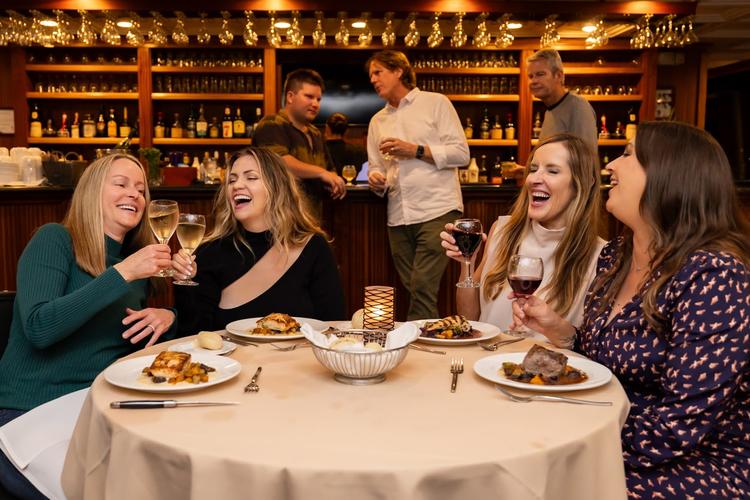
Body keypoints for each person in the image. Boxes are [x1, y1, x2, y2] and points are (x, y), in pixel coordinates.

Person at [512, 122, 750, 498]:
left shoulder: (713, 277)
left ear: (668, 176)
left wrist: (564, 441)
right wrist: (562, 333)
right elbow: (604, 364)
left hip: (691, 463)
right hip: (603, 433)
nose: (610, 167)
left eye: (627, 154)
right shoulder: (616, 257)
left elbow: (678, 426)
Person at [0, 153, 179, 499]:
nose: (135, 195)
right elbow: (40, 328)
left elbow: (130, 345)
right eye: (121, 184)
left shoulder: (135, 267)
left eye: (141, 190)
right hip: (26, 414)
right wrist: (122, 273)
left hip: (96, 411)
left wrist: (170, 317)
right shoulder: (54, 240)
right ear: (92, 191)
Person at [440, 133, 605, 339]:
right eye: (533, 169)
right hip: (486, 364)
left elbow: (590, 345)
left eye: (552, 171)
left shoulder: (600, 256)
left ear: (583, 183)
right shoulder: (502, 230)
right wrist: (467, 264)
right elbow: (469, 318)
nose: (534, 179)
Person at [174, 147, 345, 336]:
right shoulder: (209, 252)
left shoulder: (313, 247)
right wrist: (185, 282)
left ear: (277, 187)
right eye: (232, 180)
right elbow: (193, 334)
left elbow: (332, 326)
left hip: (298, 363)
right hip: (233, 365)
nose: (237, 185)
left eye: (251, 177)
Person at [367, 50, 469, 320]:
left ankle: (416, 349)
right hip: (398, 216)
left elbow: (461, 154)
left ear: (398, 70)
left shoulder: (435, 103)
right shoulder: (377, 120)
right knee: (415, 288)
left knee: (422, 287)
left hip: (437, 209)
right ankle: (432, 337)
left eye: (378, 72)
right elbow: (377, 167)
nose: (373, 80)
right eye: (371, 76)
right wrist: (376, 179)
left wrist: (415, 150)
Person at [253, 68, 346, 212]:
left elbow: (329, 169)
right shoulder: (271, 124)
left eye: (318, 99)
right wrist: (321, 173)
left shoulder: (315, 133)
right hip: (279, 221)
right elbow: (280, 163)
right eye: (309, 96)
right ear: (290, 97)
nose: (315, 104)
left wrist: (332, 181)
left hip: (312, 220)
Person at [528, 48, 598, 153]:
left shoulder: (578, 107)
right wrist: (526, 169)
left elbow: (586, 162)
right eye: (531, 76)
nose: (533, 81)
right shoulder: (551, 109)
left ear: (559, 76)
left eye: (540, 74)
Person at [325, 112, 367, 178]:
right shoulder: (359, 151)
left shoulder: (319, 150)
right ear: (346, 131)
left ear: (327, 128)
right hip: (352, 188)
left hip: (325, 188)